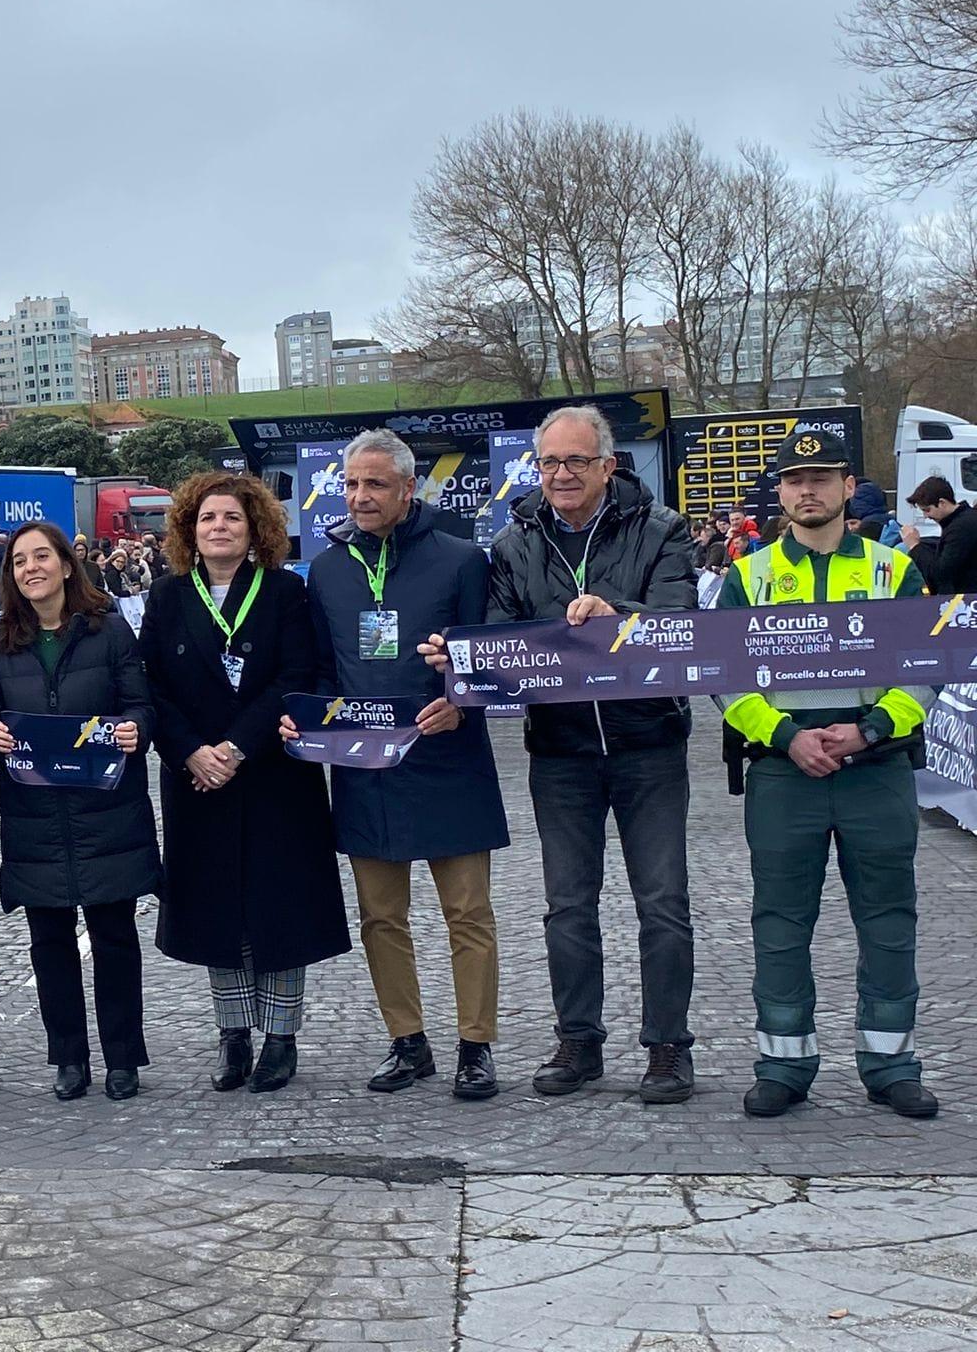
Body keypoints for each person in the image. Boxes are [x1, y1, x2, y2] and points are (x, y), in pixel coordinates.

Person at [419, 405, 698, 1104]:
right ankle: (578, 1041)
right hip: (562, 749)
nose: (562, 474)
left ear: (608, 465)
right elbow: (505, 643)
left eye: (576, 461)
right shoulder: (516, 542)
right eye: (550, 463)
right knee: (567, 906)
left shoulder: (661, 529)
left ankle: (668, 1047)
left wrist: (618, 619)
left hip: (648, 743)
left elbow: (684, 629)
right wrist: (460, 662)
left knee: (662, 904)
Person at [717, 430, 941, 1120]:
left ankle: (891, 1061)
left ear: (850, 487)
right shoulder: (747, 576)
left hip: (876, 767)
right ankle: (783, 1064)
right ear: (779, 494)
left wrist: (871, 728)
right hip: (786, 773)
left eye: (821, 477)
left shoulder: (894, 569)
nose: (806, 490)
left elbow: (928, 666)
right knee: (781, 922)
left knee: (888, 919)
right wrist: (785, 736)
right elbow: (725, 677)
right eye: (793, 480)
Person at [288, 430, 508, 1100]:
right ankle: (407, 1041)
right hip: (366, 766)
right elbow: (323, 670)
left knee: (467, 912)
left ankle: (477, 1045)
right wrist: (312, 717)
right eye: (351, 484)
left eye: (375, 484)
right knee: (381, 917)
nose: (359, 497)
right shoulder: (326, 569)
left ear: (409, 489)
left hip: (448, 759)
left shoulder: (463, 561)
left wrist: (458, 702)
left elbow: (487, 661)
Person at [139, 471, 349, 1095]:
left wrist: (235, 747)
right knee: (215, 906)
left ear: (255, 527)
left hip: (274, 773)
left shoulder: (286, 592)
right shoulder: (168, 596)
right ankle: (234, 1035)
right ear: (189, 531)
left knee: (281, 905)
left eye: (231, 517)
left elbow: (297, 674)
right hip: (197, 779)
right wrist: (190, 753)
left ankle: (280, 1038)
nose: (219, 527)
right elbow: (151, 686)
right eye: (207, 518)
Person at [0, 521, 159, 1102]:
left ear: (65, 563)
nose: (30, 568)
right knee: (49, 943)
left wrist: (137, 729)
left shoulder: (109, 632)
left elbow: (140, 702)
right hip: (35, 815)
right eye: (18, 562)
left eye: (41, 557)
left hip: (106, 808)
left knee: (114, 938)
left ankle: (123, 1058)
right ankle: (68, 1058)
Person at [902, 475, 977, 594]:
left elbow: (941, 574)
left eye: (927, 510)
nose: (926, 516)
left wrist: (915, 546)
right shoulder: (963, 521)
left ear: (942, 503)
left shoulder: (960, 528)